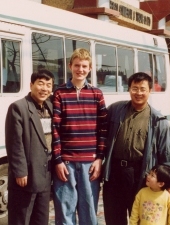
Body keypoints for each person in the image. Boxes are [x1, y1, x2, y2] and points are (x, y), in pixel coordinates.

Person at [102, 72, 170, 225]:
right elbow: (98, 129)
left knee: (139, 218)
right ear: (129, 89)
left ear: (150, 91)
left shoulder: (158, 121)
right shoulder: (115, 110)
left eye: (142, 89)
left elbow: (168, 153)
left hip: (139, 175)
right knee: (113, 218)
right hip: (114, 173)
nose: (138, 93)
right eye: (134, 88)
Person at [52, 48, 107, 225]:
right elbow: (55, 128)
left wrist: (99, 159)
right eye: (77, 65)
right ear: (70, 67)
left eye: (84, 66)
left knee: (89, 211)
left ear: (90, 68)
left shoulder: (97, 94)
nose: (80, 70)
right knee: (65, 210)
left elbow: (103, 129)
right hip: (66, 163)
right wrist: (58, 160)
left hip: (90, 164)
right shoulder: (59, 93)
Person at [5, 69, 54, 225]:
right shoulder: (18, 108)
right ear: (31, 85)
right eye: (40, 84)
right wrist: (20, 171)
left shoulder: (50, 107)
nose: (44, 88)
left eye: (48, 85)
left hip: (45, 175)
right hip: (26, 177)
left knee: (41, 219)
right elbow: (14, 143)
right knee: (21, 219)